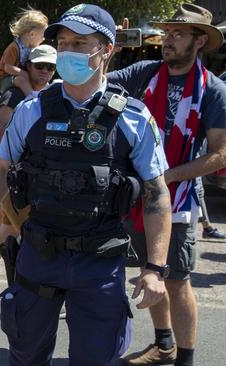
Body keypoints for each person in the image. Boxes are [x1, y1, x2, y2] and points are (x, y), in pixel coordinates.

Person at [0, 4, 172, 364]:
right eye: (63, 42)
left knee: (96, 357)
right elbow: (2, 168)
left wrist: (155, 268)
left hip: (99, 262)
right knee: (26, 354)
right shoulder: (32, 109)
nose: (68, 51)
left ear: (107, 50)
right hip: (39, 254)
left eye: (80, 43)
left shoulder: (133, 117)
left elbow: (156, 192)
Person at [107, 4, 226, 365]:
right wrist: (107, 46)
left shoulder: (213, 90)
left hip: (177, 200)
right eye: (167, 32)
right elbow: (94, 84)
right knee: (150, 273)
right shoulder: (145, 73)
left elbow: (221, 154)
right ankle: (163, 344)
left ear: (199, 40)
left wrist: (165, 177)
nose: (167, 39)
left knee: (175, 280)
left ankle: (185, 358)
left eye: (178, 34)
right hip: (138, 197)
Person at [0, 44, 57, 303]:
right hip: (15, 179)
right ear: (27, 66)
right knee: (32, 236)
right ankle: (29, 294)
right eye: (39, 65)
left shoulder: (44, 92)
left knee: (7, 232)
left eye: (50, 67)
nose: (45, 71)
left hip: (21, 179)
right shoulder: (15, 95)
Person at [0, 8, 48, 95]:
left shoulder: (31, 48)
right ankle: (32, 97)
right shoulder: (14, 47)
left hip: (19, 76)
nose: (43, 39)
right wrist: (25, 74)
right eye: (42, 36)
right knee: (21, 80)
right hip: (4, 79)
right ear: (32, 34)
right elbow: (8, 68)